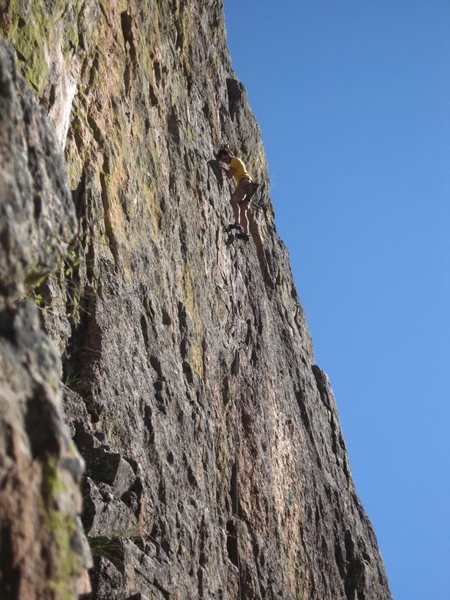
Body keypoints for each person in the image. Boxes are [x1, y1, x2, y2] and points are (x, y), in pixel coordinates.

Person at [217, 146, 259, 241]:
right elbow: (232, 156)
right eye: (223, 160)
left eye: (225, 158)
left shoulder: (234, 161)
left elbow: (230, 175)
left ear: (228, 155)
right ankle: (246, 233)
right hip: (251, 186)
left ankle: (237, 223)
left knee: (233, 201)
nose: (226, 161)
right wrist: (228, 150)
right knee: (243, 209)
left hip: (244, 183)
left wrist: (223, 168)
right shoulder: (235, 160)